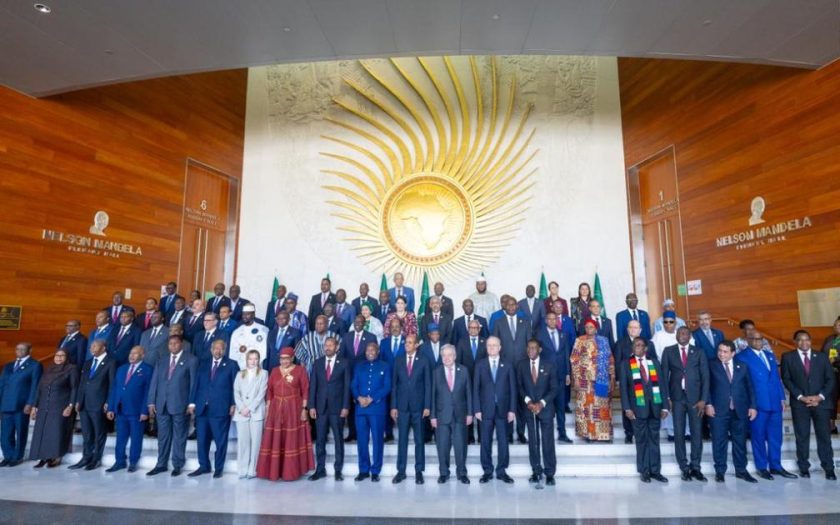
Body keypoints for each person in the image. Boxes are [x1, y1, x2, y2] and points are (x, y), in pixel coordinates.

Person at [735, 331, 793, 480]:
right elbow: (742, 384)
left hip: (774, 401)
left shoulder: (769, 355)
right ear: (747, 341)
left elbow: (776, 378)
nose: (758, 341)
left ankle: (776, 466)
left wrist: (781, 397)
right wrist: (749, 404)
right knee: (758, 436)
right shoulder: (741, 357)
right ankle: (762, 467)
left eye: (760, 339)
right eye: (754, 339)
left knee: (776, 436)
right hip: (758, 404)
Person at [781, 329, 836, 480]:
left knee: (824, 437)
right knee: (802, 436)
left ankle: (829, 468)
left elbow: (830, 379)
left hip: (821, 404)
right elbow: (786, 379)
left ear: (810, 341)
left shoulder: (822, 357)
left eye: (806, 340)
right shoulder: (788, 357)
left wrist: (819, 397)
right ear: (795, 342)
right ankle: (804, 467)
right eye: (800, 339)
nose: (803, 342)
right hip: (800, 404)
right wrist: (801, 397)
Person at [257, 347, 315, 481]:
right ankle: (274, 470)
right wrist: (268, 409)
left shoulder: (300, 370)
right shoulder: (275, 371)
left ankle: (291, 472)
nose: (284, 361)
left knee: (291, 439)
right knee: (276, 439)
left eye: (287, 358)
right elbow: (270, 391)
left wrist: (304, 409)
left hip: (294, 408)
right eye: (282, 359)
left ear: (292, 358)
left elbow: (305, 390)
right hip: (276, 409)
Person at [661, 326, 709, 481]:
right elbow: (663, 377)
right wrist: (666, 398)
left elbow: (705, 377)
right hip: (677, 399)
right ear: (676, 335)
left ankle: (696, 467)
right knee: (679, 433)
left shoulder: (699, 352)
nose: (682, 335)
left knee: (696, 433)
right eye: (680, 333)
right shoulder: (668, 351)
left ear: (690, 336)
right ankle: (684, 467)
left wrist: (703, 399)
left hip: (696, 400)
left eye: (685, 333)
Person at [706, 340, 758, 483]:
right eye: (719, 351)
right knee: (719, 441)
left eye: (725, 351)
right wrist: (708, 404)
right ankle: (720, 471)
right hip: (718, 410)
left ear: (733, 353)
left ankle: (741, 470)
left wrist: (753, 406)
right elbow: (706, 386)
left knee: (740, 442)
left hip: (740, 410)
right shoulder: (711, 365)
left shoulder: (742, 366)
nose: (721, 354)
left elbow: (750, 388)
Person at [619, 338, 669, 483]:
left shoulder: (654, 362)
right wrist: (627, 408)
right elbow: (623, 388)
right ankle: (644, 471)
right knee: (641, 440)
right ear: (632, 347)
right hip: (637, 408)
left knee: (654, 440)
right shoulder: (626, 364)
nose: (638, 348)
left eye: (641, 345)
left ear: (646, 348)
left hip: (655, 407)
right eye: (635, 345)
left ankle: (655, 471)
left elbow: (662, 385)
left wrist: (665, 406)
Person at [146, 335, 198, 477]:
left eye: (175, 343)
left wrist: (192, 403)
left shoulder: (191, 359)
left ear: (181, 344)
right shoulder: (161, 360)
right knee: (163, 436)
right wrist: (151, 401)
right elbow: (154, 382)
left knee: (179, 436)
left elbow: (194, 384)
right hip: (161, 404)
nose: (173, 346)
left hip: (180, 404)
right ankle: (161, 464)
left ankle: (177, 464)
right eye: (170, 344)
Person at [188, 340, 238, 478]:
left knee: (220, 441)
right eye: (215, 348)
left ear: (225, 350)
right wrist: (192, 403)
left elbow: (236, 386)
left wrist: (233, 403)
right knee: (202, 440)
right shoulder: (203, 364)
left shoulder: (232, 364)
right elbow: (196, 384)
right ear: (211, 350)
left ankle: (218, 468)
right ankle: (203, 466)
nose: (218, 351)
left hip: (221, 409)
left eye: (221, 348)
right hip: (202, 408)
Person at [473, 336, 516, 483]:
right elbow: (475, 389)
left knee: (503, 441)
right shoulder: (480, 365)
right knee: (485, 441)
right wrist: (477, 409)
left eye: (494, 345)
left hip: (503, 410)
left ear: (500, 347)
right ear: (486, 348)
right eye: (489, 345)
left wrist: (512, 410)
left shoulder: (508, 365)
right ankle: (487, 470)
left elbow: (512, 389)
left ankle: (502, 470)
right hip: (485, 410)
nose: (491, 348)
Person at [390, 334, 431, 484]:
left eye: (410, 342)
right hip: (402, 407)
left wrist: (427, 405)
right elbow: (394, 385)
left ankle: (419, 471)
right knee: (402, 440)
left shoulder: (424, 361)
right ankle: (401, 471)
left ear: (416, 345)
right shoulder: (399, 360)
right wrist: (393, 406)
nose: (407, 344)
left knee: (419, 440)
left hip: (419, 408)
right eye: (406, 342)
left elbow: (428, 384)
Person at [308, 337, 350, 481]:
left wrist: (345, 406)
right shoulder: (318, 363)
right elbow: (313, 385)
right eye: (326, 345)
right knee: (320, 439)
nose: (327, 348)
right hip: (320, 408)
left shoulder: (344, 363)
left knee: (338, 439)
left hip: (337, 408)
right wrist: (311, 406)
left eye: (330, 345)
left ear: (337, 347)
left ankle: (338, 470)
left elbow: (346, 387)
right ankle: (320, 469)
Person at [517, 339, 558, 485]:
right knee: (533, 442)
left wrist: (541, 403)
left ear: (540, 349)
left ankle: (549, 473)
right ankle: (536, 471)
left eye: (534, 348)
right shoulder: (521, 365)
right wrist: (528, 401)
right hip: (529, 409)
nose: (531, 350)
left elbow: (554, 388)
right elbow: (519, 386)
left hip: (545, 409)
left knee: (547, 441)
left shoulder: (549, 365)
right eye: (528, 348)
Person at [106, 345, 152, 473]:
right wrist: (111, 407)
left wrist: (144, 411)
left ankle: (133, 462)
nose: (131, 356)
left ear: (142, 355)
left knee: (136, 438)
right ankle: (119, 461)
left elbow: (148, 392)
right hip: (121, 409)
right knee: (120, 437)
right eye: (131, 353)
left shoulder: (147, 370)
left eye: (135, 353)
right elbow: (115, 389)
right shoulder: (122, 369)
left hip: (137, 411)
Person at [71, 339, 116, 471]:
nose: (92, 348)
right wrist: (78, 400)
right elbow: (82, 384)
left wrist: (108, 402)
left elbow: (112, 384)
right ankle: (86, 458)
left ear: (103, 348)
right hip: (84, 403)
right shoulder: (88, 362)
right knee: (87, 433)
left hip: (99, 403)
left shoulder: (111, 362)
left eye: (95, 346)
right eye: (91, 346)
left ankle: (96, 459)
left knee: (99, 433)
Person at [29, 348, 77, 469]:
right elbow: (39, 389)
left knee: (55, 432)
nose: (59, 358)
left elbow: (74, 388)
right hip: (44, 405)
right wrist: (35, 406)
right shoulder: (48, 369)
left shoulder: (71, 369)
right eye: (57, 355)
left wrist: (70, 405)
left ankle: (55, 457)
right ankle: (43, 457)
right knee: (43, 431)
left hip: (60, 405)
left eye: (62, 356)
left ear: (67, 357)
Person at [431, 344, 472, 484]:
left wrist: (470, 413)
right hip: (442, 415)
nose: (447, 358)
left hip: (460, 414)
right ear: (441, 357)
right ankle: (444, 473)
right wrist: (433, 416)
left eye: (450, 355)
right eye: (444, 355)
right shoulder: (436, 372)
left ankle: (462, 473)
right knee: (442, 446)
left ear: (454, 356)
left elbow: (469, 393)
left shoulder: (464, 370)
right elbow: (433, 396)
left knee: (461, 446)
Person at [351, 342, 391, 482]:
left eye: (373, 349)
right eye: (368, 349)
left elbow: (387, 386)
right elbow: (353, 385)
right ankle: (363, 470)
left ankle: (375, 470)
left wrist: (372, 399)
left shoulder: (385, 366)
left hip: (377, 409)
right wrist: (358, 397)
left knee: (377, 440)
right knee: (362, 440)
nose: (370, 352)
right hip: (361, 409)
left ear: (378, 351)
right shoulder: (359, 366)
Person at [570, 319, 615, 442]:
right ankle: (588, 434)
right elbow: (574, 359)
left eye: (591, 327)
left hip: (602, 379)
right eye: (587, 327)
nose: (589, 329)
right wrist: (576, 378)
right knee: (587, 407)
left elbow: (610, 359)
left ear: (596, 328)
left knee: (601, 406)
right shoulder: (579, 340)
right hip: (585, 380)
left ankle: (603, 435)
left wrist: (612, 377)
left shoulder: (604, 341)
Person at [0, 343, 42, 467]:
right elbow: (1, 385)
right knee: (5, 433)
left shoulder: (35, 365)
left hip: (21, 405)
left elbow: (35, 386)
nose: (19, 351)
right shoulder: (8, 366)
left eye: (23, 349)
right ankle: (8, 456)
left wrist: (30, 403)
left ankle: (17, 457)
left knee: (21, 432)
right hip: (6, 404)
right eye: (17, 348)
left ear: (30, 350)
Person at [615, 320, 656, 443]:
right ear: (627, 329)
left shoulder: (649, 343)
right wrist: (618, 379)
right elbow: (617, 363)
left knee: (645, 407)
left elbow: (653, 360)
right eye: (631, 327)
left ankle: (645, 431)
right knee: (628, 407)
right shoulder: (621, 343)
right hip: (628, 383)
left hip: (646, 382)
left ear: (640, 329)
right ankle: (629, 433)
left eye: (636, 327)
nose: (633, 329)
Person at [340, 315, 379, 443]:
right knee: (351, 403)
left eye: (360, 322)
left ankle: (365, 433)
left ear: (364, 323)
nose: (358, 323)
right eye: (356, 321)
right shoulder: (346, 336)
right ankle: (352, 433)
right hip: (348, 375)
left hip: (364, 376)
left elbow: (373, 357)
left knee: (363, 404)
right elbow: (342, 356)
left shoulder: (371, 337)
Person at [537, 311, 572, 443]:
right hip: (546, 377)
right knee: (547, 406)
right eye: (550, 319)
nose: (552, 321)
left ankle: (562, 433)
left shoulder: (563, 334)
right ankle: (546, 435)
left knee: (561, 406)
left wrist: (568, 373)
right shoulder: (540, 334)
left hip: (561, 376)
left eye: (554, 319)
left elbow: (566, 354)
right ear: (546, 320)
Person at [233, 350, 268, 479]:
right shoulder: (239, 374)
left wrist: (250, 408)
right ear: (246, 360)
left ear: (259, 360)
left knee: (256, 442)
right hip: (241, 412)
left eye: (256, 359)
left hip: (256, 412)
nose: (253, 361)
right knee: (243, 442)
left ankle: (253, 469)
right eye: (250, 359)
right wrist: (242, 408)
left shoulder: (264, 374)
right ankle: (242, 469)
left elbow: (261, 394)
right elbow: (236, 393)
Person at [231, 304, 270, 370]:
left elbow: (263, 351)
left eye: (247, 314)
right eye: (243, 314)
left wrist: (254, 364)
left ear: (253, 315)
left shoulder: (263, 330)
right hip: (240, 368)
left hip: (257, 367)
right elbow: (233, 352)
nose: (244, 316)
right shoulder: (237, 332)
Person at [821, 316, 840, 433]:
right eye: (836, 325)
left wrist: (837, 361)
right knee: (831, 399)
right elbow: (821, 354)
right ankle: (832, 426)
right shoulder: (829, 339)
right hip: (831, 374)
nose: (837, 327)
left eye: (839, 325)